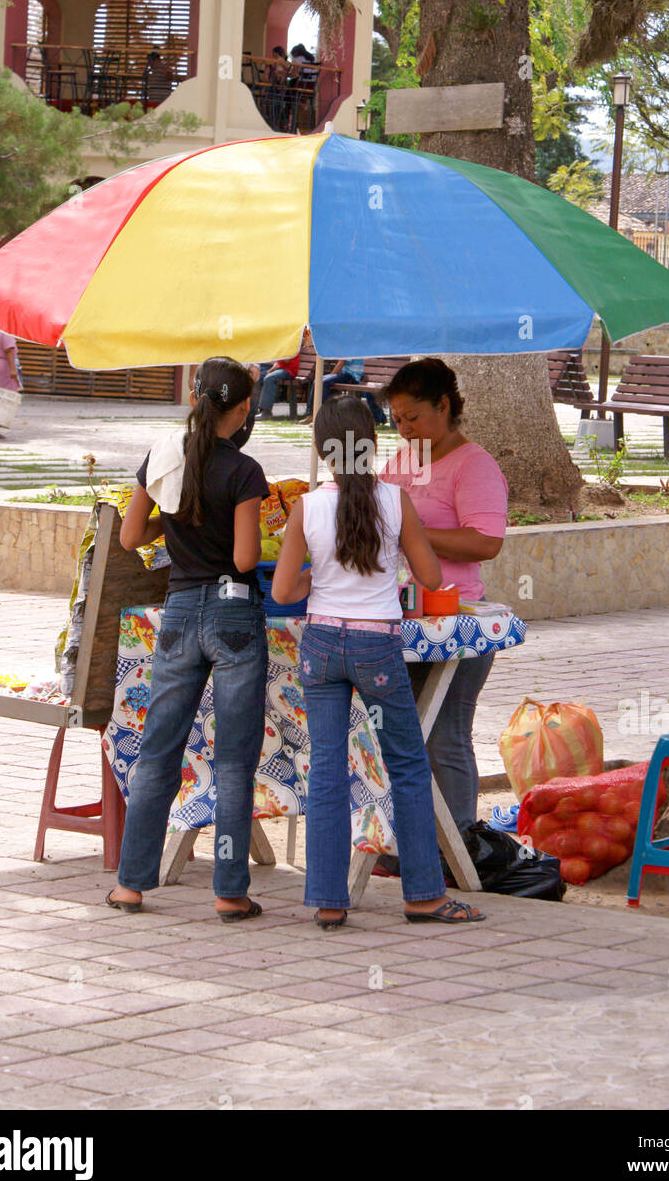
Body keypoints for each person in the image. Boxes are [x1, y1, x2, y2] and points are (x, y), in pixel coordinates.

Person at [272, 393, 485, 928]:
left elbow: (281, 592)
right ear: (372, 444)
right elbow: (433, 578)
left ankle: (326, 900)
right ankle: (423, 896)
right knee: (408, 767)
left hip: (321, 645)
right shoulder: (395, 501)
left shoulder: (307, 508)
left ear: (323, 450)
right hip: (379, 649)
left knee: (325, 771)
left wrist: (316, 576)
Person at [106, 357, 269, 921]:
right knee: (232, 758)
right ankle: (228, 891)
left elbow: (130, 536)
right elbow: (246, 557)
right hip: (233, 613)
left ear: (196, 398)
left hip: (177, 613)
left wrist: (176, 519)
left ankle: (130, 883)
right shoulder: (245, 471)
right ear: (245, 408)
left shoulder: (162, 456)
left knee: (159, 750)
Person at [381, 358, 508, 834]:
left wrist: (415, 534)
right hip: (404, 619)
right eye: (397, 420)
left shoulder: (475, 465)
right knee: (404, 734)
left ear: (444, 405)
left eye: (413, 416)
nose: (404, 428)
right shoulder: (403, 460)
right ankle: (407, 845)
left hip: (456, 624)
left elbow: (486, 542)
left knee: (445, 736)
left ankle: (460, 849)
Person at [302, 357, 365, 422]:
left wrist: (331, 376)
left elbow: (341, 363)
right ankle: (311, 415)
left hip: (352, 375)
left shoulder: (347, 347)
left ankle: (322, 416)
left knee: (323, 382)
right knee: (317, 381)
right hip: (345, 373)